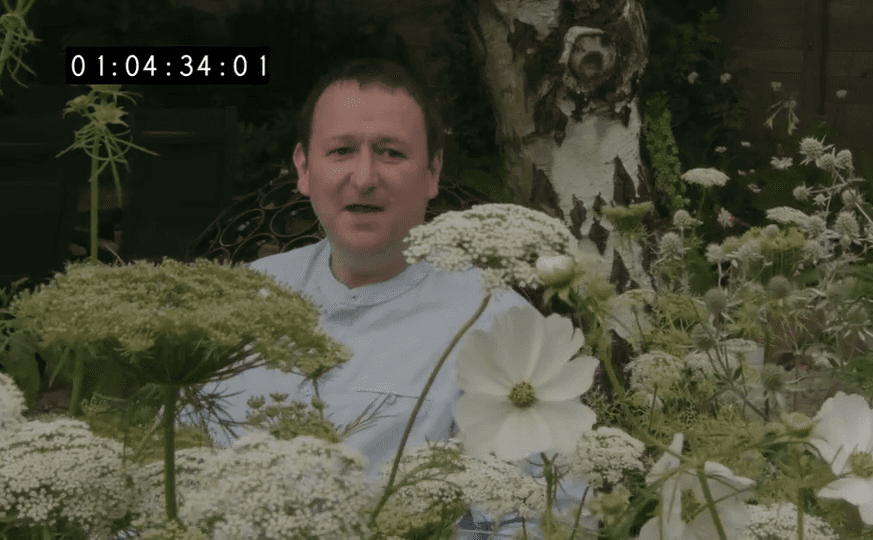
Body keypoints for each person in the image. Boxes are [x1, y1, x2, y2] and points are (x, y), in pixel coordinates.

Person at [181, 58, 593, 539]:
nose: (364, 177)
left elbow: (551, 521)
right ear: (304, 168)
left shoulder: (500, 325)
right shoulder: (242, 297)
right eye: (341, 150)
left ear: (432, 172)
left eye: (390, 152)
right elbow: (169, 476)